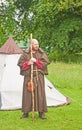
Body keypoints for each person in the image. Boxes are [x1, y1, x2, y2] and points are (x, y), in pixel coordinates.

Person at [17, 39, 50, 119]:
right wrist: (28, 63)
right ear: (31, 45)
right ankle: (26, 112)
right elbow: (20, 64)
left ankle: (41, 112)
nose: (37, 46)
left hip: (39, 76)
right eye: (35, 44)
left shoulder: (41, 53)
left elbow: (46, 63)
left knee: (40, 94)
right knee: (27, 95)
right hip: (29, 77)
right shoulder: (25, 54)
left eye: (37, 44)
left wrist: (36, 61)